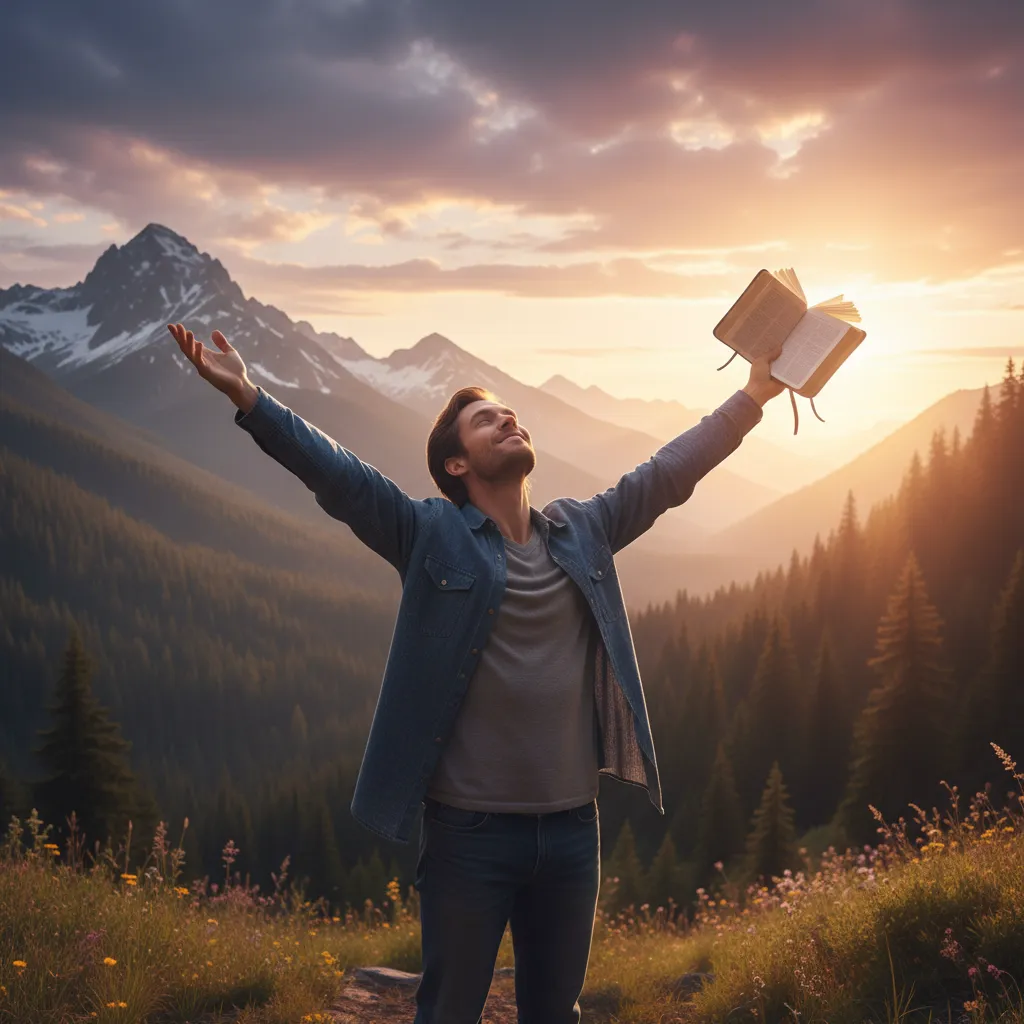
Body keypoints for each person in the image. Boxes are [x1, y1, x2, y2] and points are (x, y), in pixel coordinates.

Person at [167, 321, 785, 1023]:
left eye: (509, 414)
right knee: (450, 1011)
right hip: (470, 838)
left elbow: (669, 473)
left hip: (573, 832)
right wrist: (249, 396)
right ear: (456, 465)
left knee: (556, 1013)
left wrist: (754, 395)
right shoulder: (430, 532)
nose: (507, 420)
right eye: (485, 420)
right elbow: (338, 475)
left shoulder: (583, 529)